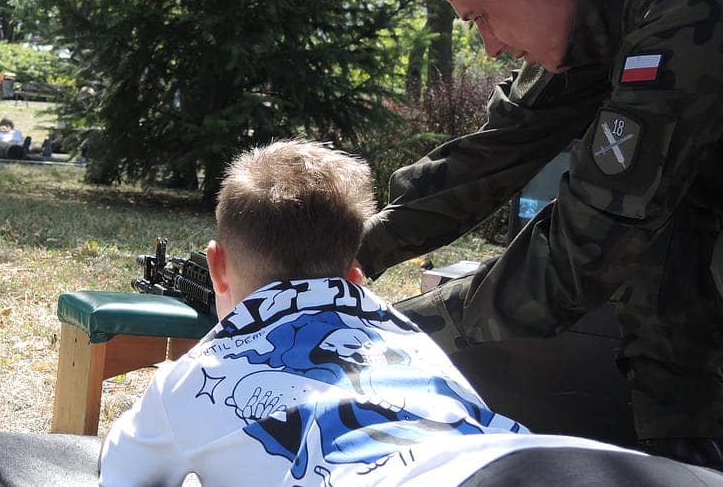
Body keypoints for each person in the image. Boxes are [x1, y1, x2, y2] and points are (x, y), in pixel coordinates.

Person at [356, 0, 723, 468]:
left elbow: (592, 240)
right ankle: (685, 463)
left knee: (647, 235)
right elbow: (497, 150)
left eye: (481, 17)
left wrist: (399, 332)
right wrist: (348, 252)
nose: (489, 46)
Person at [99, 140, 703, 486]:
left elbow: (121, 472)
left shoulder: (192, 376)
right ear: (356, 277)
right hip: (579, 465)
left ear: (217, 266)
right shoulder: (406, 337)